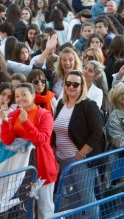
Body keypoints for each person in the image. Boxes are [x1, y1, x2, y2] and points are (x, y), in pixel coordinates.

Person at [0, 82, 58, 218]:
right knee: (25, 209)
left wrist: (26, 123)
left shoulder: (45, 115)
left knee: (45, 209)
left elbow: (42, 139)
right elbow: (7, 140)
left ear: (32, 95)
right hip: (22, 170)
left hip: (43, 168)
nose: (20, 99)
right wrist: (5, 122)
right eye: (17, 96)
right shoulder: (13, 114)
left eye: (24, 95)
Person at [51, 70, 105, 215]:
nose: (71, 87)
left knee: (87, 200)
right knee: (73, 201)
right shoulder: (61, 104)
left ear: (82, 86)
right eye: (68, 83)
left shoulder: (88, 105)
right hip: (62, 160)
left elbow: (96, 133)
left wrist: (80, 155)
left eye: (76, 84)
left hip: (80, 161)